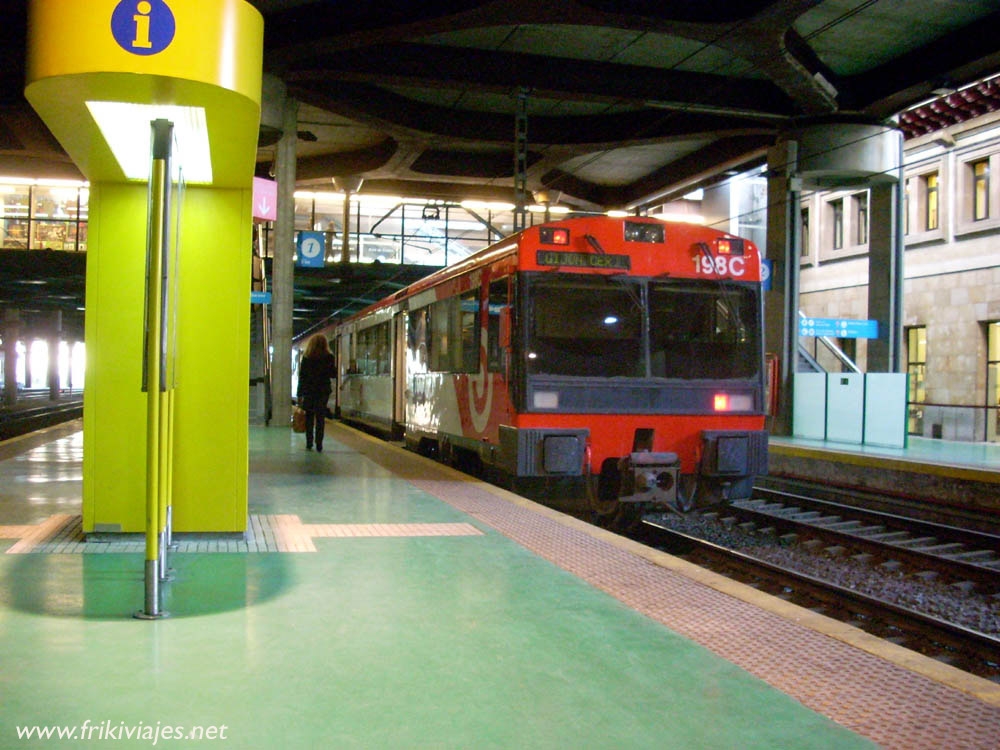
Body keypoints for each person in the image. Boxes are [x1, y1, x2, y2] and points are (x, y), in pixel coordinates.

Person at [296, 334, 337, 452]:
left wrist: (300, 394)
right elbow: (333, 374)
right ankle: (319, 444)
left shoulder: (307, 357)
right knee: (320, 418)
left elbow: (302, 377)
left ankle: (309, 442)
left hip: (309, 391)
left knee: (309, 417)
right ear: (325, 344)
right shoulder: (329, 357)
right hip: (323, 391)